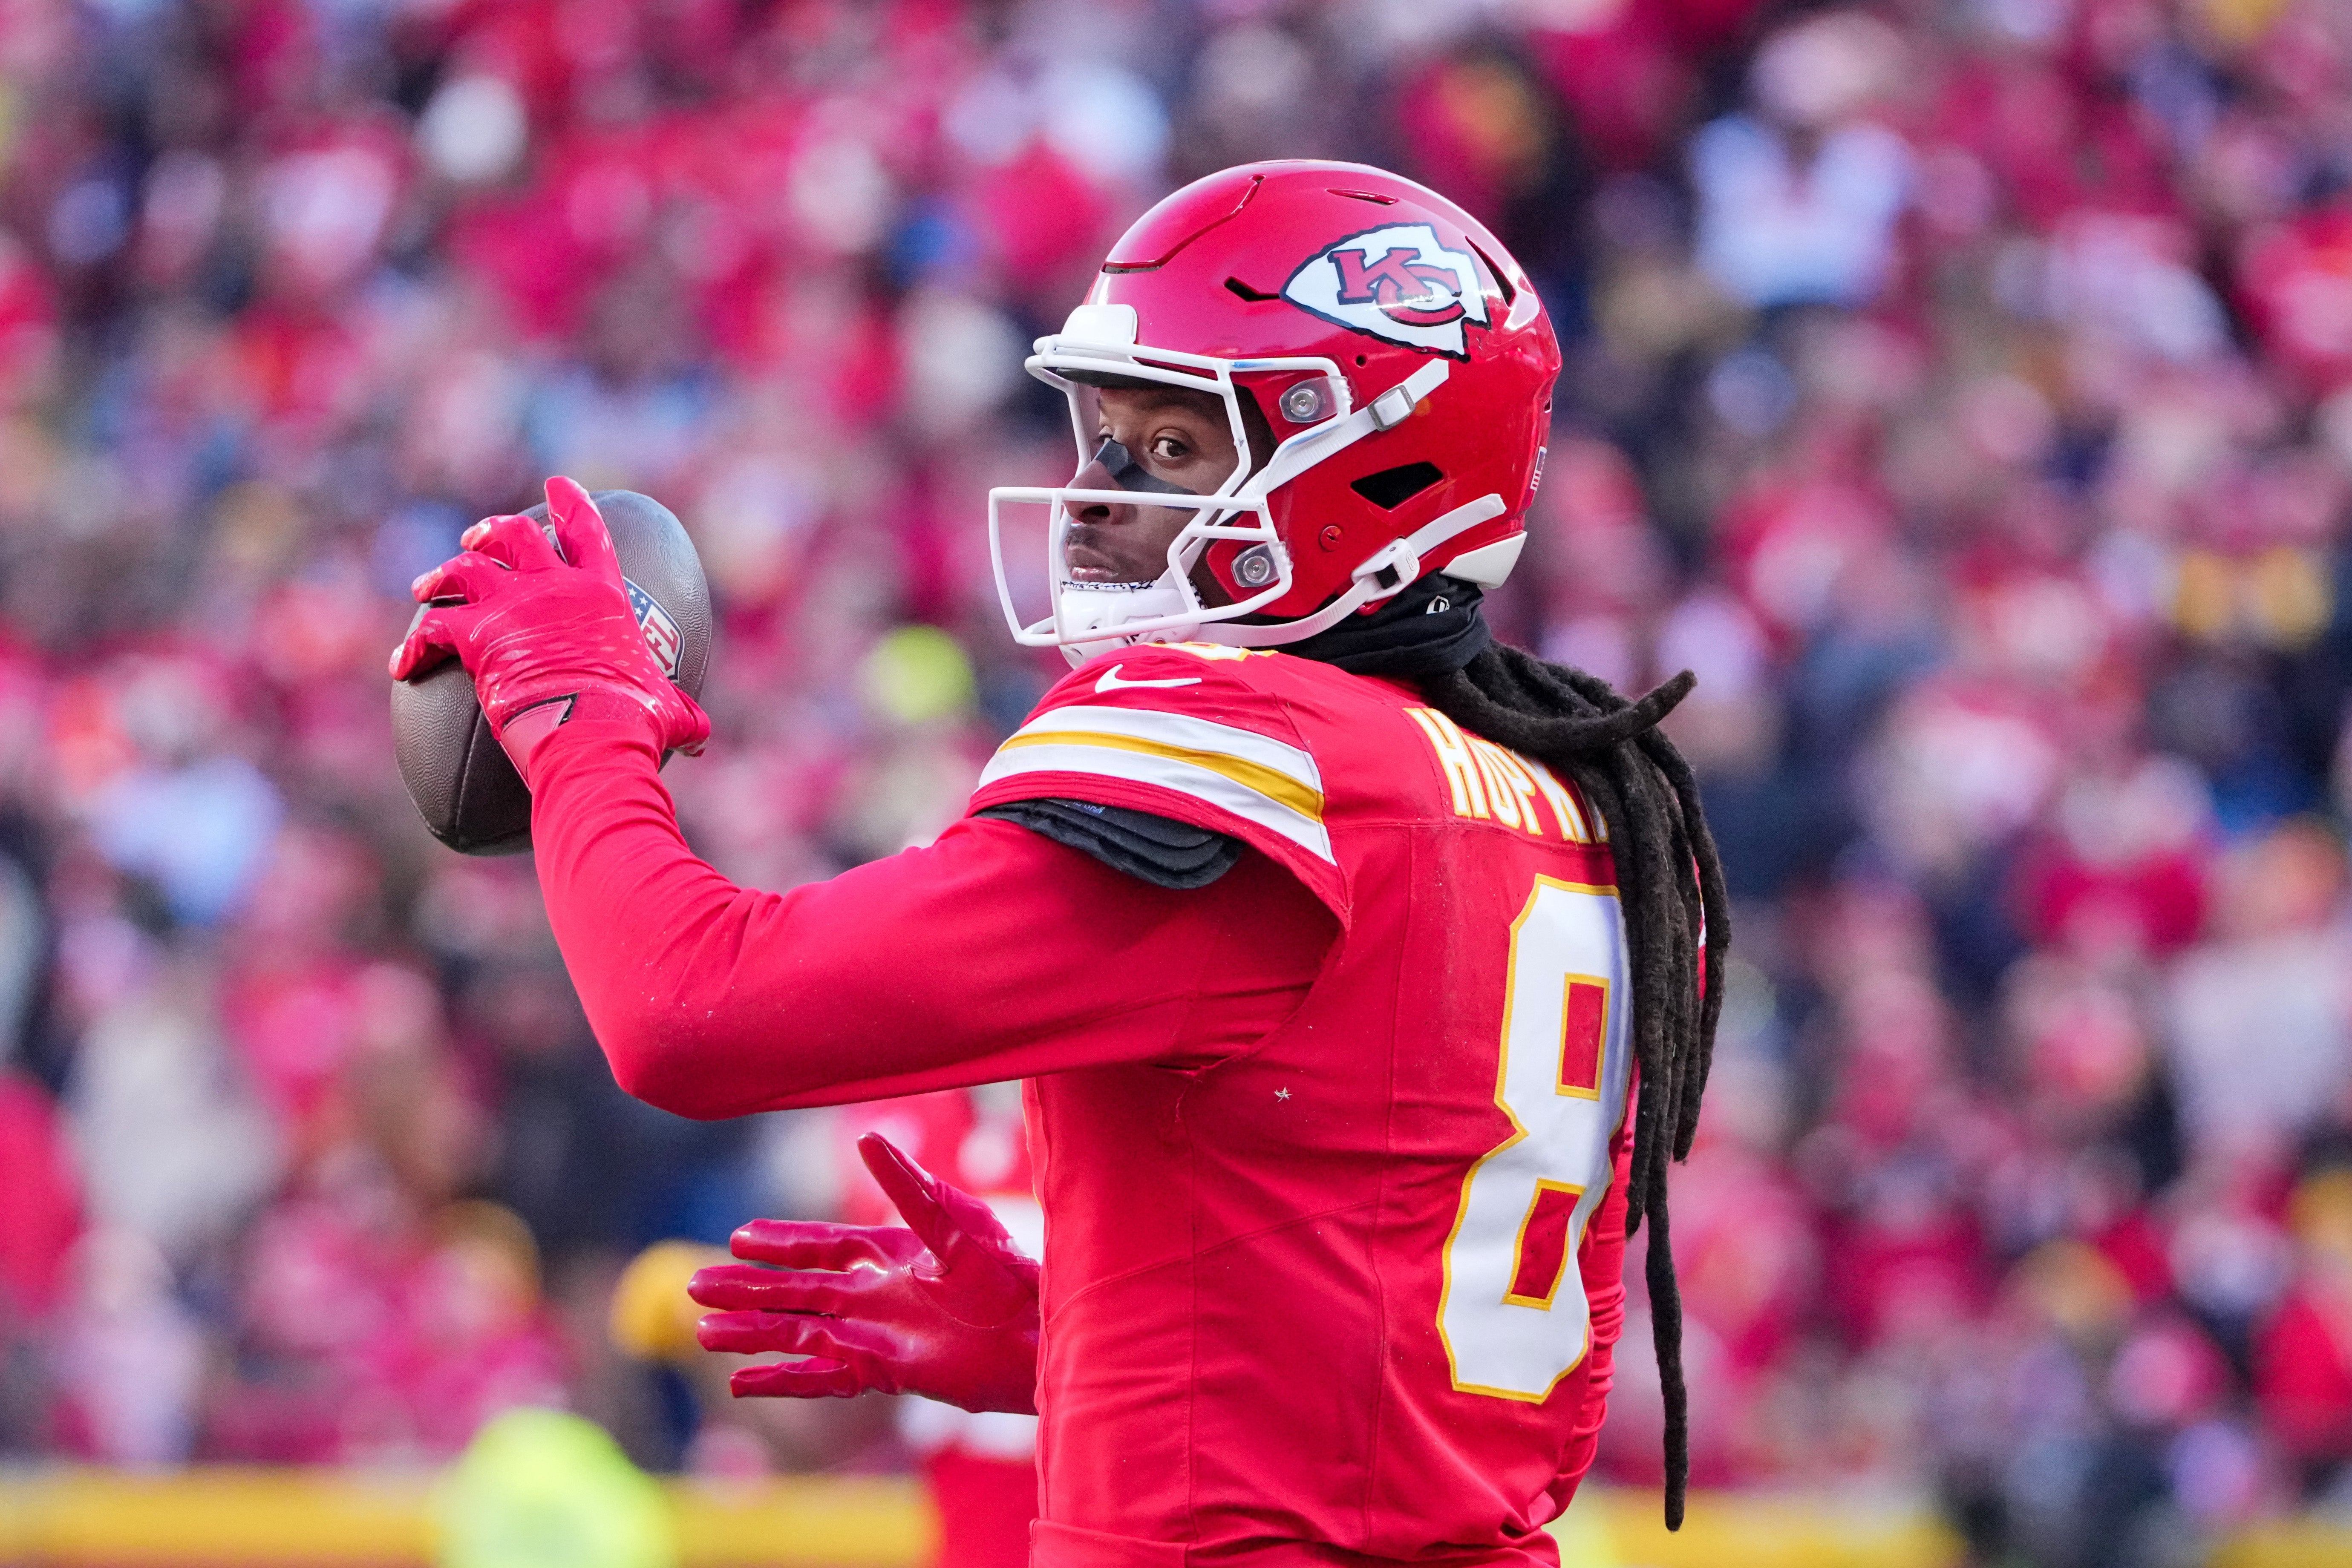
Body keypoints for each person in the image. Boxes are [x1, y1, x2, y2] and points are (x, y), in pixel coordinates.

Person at [389, 160, 1726, 1565]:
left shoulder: (1270, 755)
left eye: (1169, 450)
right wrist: (1081, 1335)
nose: (1092, 500)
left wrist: (580, 719)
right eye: (1100, 435)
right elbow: (1419, 1341)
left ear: (1376, 463)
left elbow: (687, 1011)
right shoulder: (1577, 801)